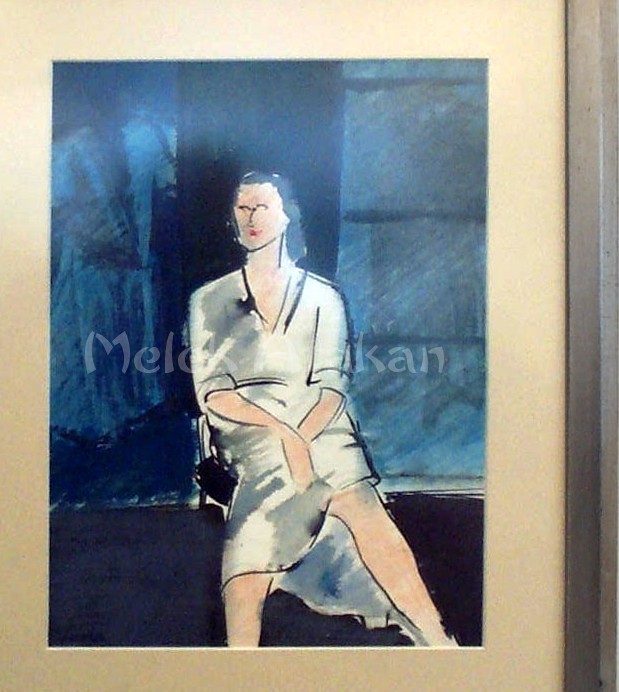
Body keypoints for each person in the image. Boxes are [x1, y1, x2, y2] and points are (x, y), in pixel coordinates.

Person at [188, 171, 455, 648]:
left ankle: (437, 640)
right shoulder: (210, 300)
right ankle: (238, 670)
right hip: (250, 432)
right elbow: (213, 393)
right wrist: (283, 433)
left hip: (322, 427)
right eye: (242, 208)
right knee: (248, 567)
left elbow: (332, 389)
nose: (250, 218)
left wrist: (303, 435)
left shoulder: (322, 298)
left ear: (287, 215)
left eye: (262, 207)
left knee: (360, 503)